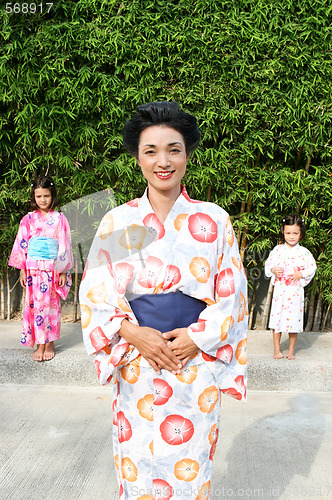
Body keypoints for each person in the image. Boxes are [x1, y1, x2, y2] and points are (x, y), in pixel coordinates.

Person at [79, 101, 248, 499]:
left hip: (194, 359)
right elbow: (95, 291)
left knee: (191, 463)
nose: (163, 161)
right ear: (137, 158)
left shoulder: (215, 219)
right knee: (136, 462)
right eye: (150, 151)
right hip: (137, 361)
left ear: (187, 154)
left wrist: (196, 338)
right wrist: (132, 333)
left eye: (173, 149)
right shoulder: (116, 220)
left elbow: (233, 295)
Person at [8, 175, 73, 361]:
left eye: (46, 196)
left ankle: (50, 342)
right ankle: (39, 343)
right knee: (34, 306)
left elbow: (64, 245)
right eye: (38, 197)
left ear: (52, 195)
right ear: (33, 197)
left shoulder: (60, 218)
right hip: (33, 269)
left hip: (52, 268)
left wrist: (62, 270)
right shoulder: (27, 219)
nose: (43, 200)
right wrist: (22, 270)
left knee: (51, 306)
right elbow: (22, 244)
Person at [265, 215, 316, 360]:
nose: (291, 236)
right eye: (288, 233)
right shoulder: (277, 250)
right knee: (277, 319)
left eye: (295, 233)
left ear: (301, 233)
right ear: (283, 232)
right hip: (280, 290)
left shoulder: (304, 252)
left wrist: (301, 273)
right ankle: (277, 349)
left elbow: (312, 268)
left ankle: (291, 350)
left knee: (294, 319)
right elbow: (268, 265)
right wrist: (274, 270)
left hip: (295, 291)